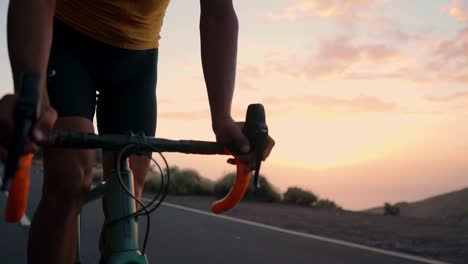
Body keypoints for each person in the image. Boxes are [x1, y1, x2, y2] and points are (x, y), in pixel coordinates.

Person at [0, 0, 275, 263]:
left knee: (128, 197)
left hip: (137, 59)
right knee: (70, 178)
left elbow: (218, 12)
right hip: (68, 41)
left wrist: (222, 118)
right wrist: (32, 94)